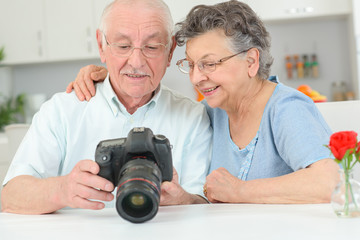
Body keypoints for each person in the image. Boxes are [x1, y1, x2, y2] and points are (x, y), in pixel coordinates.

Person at [69, 0, 340, 204]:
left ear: (251, 61)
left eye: (209, 64)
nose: (197, 78)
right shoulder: (214, 112)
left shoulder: (285, 108)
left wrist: (240, 191)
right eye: (192, 65)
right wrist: (111, 77)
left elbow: (332, 182)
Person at [1, 0, 212, 214]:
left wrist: (183, 200)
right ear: (102, 46)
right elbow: (10, 196)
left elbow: (204, 206)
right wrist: (63, 189)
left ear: (170, 51)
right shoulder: (62, 111)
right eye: (123, 46)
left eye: (151, 47)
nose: (137, 62)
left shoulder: (192, 116)